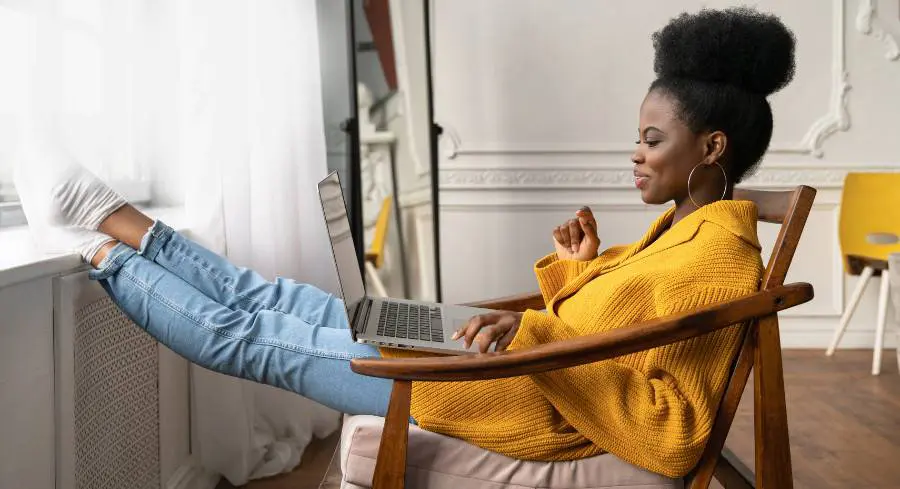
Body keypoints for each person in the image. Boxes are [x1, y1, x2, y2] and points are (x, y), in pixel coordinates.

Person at [14, 7, 794, 479]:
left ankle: (99, 250)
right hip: (500, 362)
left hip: (498, 392)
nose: (635, 153)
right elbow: (612, 337)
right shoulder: (688, 229)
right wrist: (577, 274)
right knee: (285, 300)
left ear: (712, 148)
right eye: (638, 136)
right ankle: (114, 215)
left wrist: (535, 328)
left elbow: (670, 431)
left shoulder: (719, 259)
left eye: (652, 139)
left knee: (256, 338)